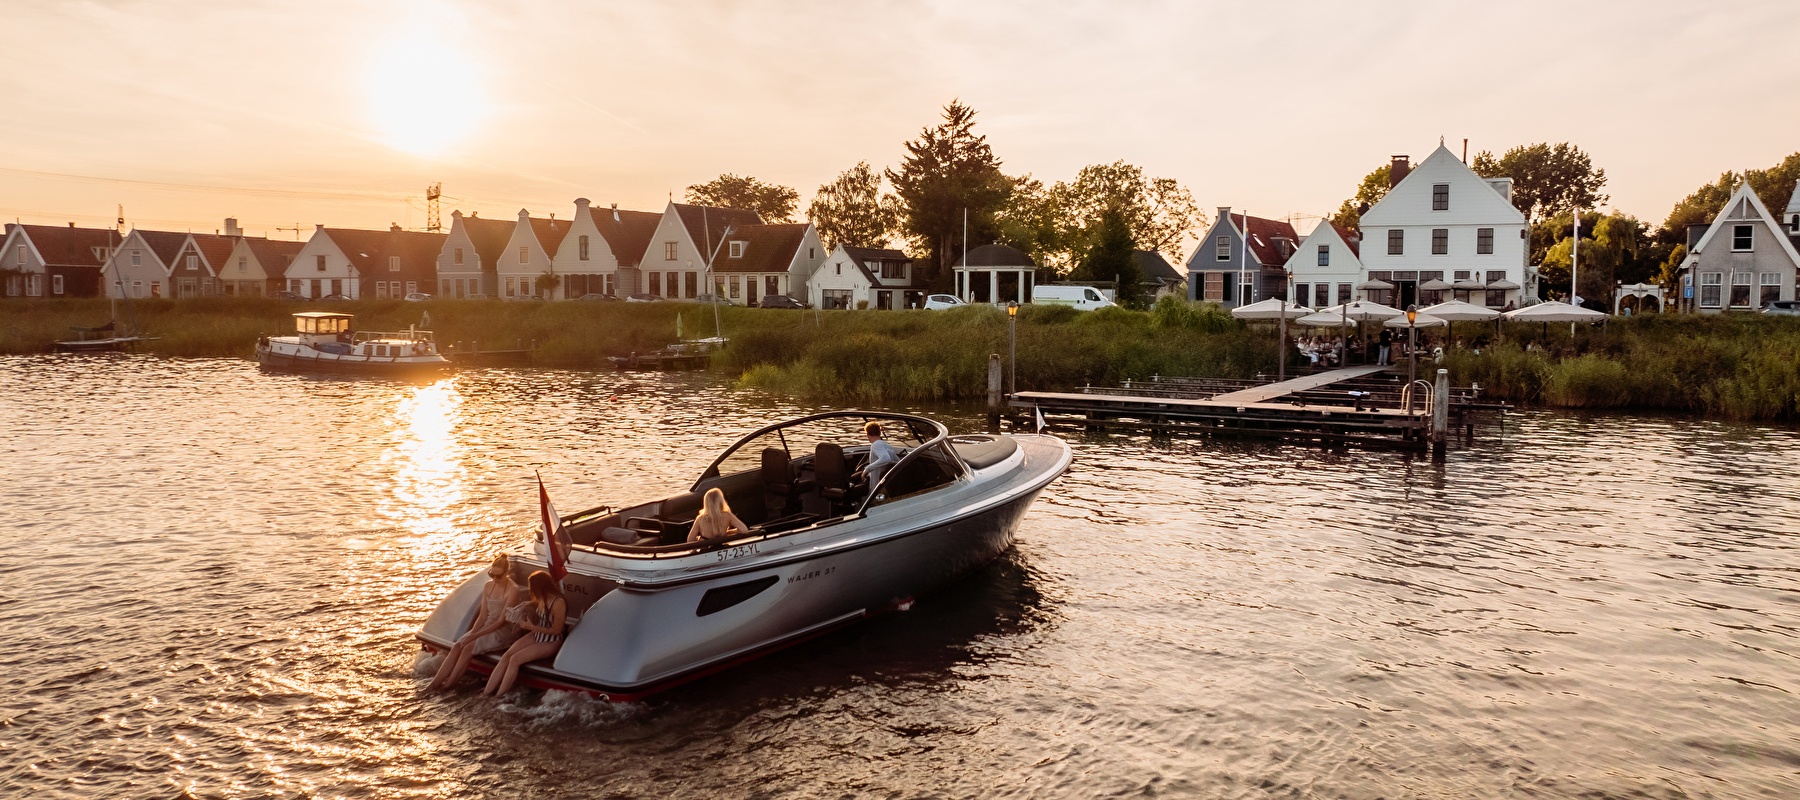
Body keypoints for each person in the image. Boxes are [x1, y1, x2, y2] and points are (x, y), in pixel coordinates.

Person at [428, 554, 523, 691]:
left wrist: (475, 636)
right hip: (487, 625)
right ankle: (434, 684)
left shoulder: (513, 589)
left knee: (468, 648)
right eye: (492, 575)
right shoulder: (488, 586)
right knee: (457, 646)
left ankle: (448, 685)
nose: (494, 579)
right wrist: (473, 632)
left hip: (503, 630)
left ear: (507, 573)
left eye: (498, 576)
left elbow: (501, 621)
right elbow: (483, 615)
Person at [482, 570, 566, 697]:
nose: (530, 591)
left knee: (515, 659)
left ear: (541, 587)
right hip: (537, 633)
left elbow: (557, 630)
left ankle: (498, 696)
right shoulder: (542, 598)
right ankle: (486, 693)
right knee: (507, 655)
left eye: (532, 588)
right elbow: (537, 606)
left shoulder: (558, 602)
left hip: (551, 640)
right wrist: (526, 605)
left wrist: (532, 627)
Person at [854, 421, 899, 488]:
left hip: (876, 485)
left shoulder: (876, 445)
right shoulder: (886, 445)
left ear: (867, 434)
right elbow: (897, 462)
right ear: (879, 433)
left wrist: (867, 470)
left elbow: (885, 458)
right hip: (885, 484)